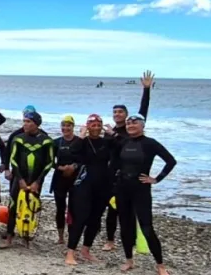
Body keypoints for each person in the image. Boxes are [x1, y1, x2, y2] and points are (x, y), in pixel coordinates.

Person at [111, 113, 175, 275]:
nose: (131, 125)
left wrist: (156, 179)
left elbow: (171, 161)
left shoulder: (150, 143)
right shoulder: (123, 142)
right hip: (122, 188)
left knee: (146, 227)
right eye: (128, 123)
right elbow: (114, 162)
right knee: (125, 226)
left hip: (141, 189)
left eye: (134, 123)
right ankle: (129, 260)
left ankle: (160, 266)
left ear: (142, 125)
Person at [104, 70, 154, 251]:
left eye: (120, 112)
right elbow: (105, 154)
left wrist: (146, 90)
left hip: (131, 176)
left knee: (130, 211)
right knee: (112, 209)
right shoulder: (108, 132)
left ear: (126, 115)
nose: (117, 114)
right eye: (115, 112)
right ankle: (110, 240)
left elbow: (143, 111)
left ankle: (131, 242)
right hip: (114, 175)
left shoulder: (131, 130)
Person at [65, 113, 115, 265]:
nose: (96, 128)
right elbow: (71, 151)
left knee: (95, 219)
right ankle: (70, 253)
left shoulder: (106, 142)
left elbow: (122, 147)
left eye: (99, 125)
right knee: (80, 218)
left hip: (103, 185)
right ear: (88, 126)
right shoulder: (83, 142)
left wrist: (113, 134)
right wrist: (81, 135)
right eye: (93, 125)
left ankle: (86, 250)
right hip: (84, 183)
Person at [5, 111, 54, 246]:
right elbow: (13, 160)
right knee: (13, 206)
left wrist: (38, 181)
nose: (25, 124)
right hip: (19, 178)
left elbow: (49, 163)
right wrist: (20, 179)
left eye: (28, 122)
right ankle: (9, 237)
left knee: (31, 207)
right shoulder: (18, 139)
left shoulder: (46, 141)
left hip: (36, 180)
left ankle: (26, 237)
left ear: (36, 124)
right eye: (24, 121)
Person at [51, 115, 82, 244]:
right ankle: (60, 237)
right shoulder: (56, 142)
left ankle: (72, 236)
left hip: (75, 179)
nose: (65, 128)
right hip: (60, 178)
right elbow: (50, 161)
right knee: (60, 207)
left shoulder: (79, 141)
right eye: (63, 125)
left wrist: (73, 166)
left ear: (73, 127)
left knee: (74, 208)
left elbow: (84, 160)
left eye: (68, 125)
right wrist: (60, 168)